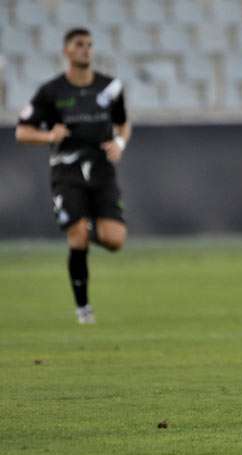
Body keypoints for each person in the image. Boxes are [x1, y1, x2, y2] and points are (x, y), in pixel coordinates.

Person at [15, 27, 132, 324]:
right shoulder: (51, 91)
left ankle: (84, 225)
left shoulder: (109, 88)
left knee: (115, 240)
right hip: (67, 171)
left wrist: (119, 143)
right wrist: (48, 135)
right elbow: (22, 131)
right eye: (80, 44)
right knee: (77, 235)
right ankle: (83, 309)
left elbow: (123, 124)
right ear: (66, 51)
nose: (86, 50)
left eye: (90, 45)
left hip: (102, 171)